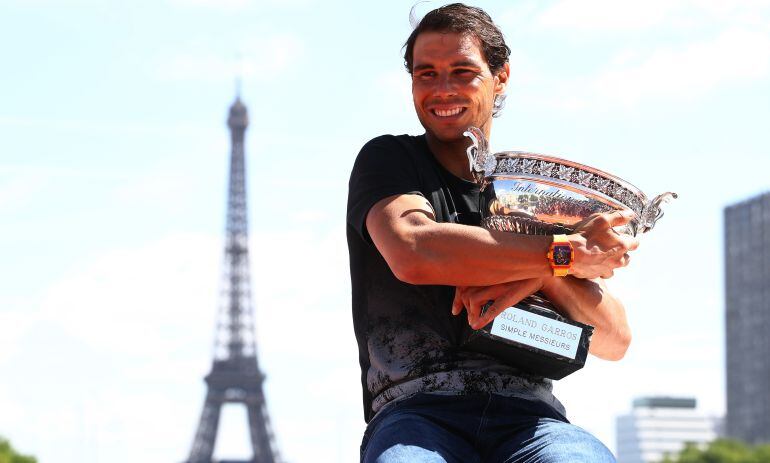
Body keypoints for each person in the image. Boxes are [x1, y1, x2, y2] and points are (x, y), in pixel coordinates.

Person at [346, 4, 637, 462]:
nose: (442, 90)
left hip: (531, 419)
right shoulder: (389, 161)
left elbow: (615, 340)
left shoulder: (530, 198)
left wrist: (544, 275)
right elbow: (414, 249)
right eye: (426, 74)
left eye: (462, 72)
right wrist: (561, 254)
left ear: (501, 76)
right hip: (418, 412)